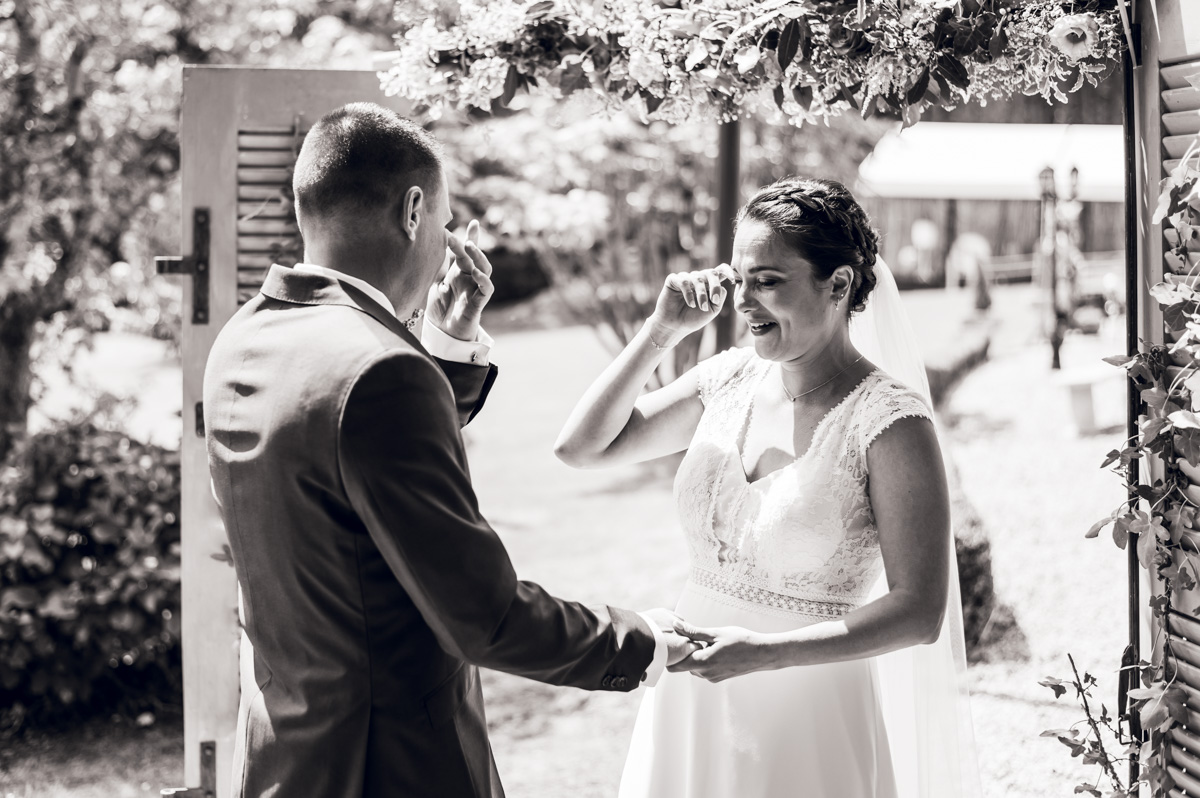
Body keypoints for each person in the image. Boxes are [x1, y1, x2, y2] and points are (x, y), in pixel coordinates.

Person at [202, 102, 698, 798]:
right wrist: (638, 639)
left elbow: (352, 462)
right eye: (442, 220)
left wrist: (442, 349)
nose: (443, 241)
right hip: (391, 767)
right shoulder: (383, 375)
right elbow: (485, 617)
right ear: (412, 210)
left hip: (282, 755)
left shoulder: (244, 339)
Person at [555, 177, 978, 798]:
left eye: (769, 281)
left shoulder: (891, 422)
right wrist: (660, 333)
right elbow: (581, 447)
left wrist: (764, 652)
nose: (744, 302)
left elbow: (918, 613)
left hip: (807, 715)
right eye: (740, 279)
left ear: (838, 285)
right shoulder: (726, 380)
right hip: (688, 695)